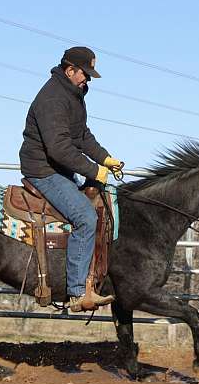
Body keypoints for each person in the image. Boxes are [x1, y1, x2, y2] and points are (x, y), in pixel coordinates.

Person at [19, 46, 122, 312]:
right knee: (86, 217)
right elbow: (59, 148)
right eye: (85, 74)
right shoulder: (53, 99)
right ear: (70, 70)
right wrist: (94, 171)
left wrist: (105, 158)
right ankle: (77, 292)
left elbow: (81, 136)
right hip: (43, 170)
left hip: (58, 168)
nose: (87, 79)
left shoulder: (73, 96)